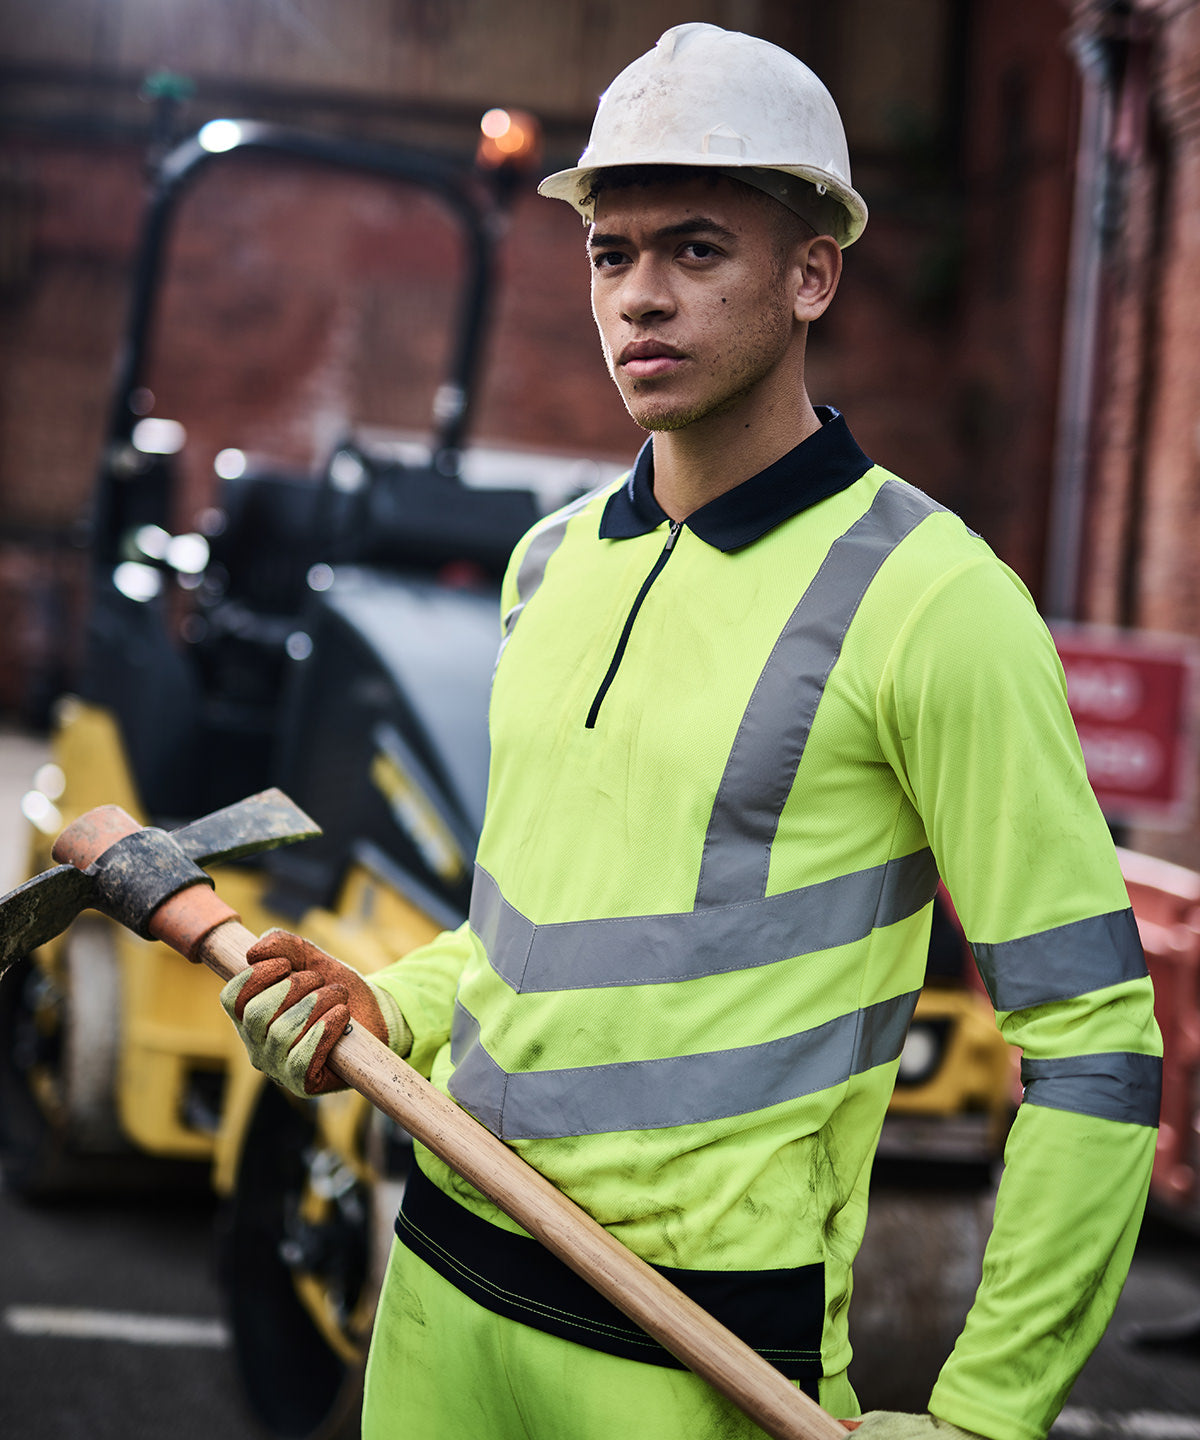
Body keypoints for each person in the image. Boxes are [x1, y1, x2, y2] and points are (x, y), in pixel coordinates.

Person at [221, 22, 1162, 1440]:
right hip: (444, 1292)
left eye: (698, 250)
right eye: (613, 254)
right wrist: (389, 1006)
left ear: (811, 275)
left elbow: (1094, 1040)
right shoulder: (549, 567)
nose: (640, 299)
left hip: (698, 1354)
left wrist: (987, 1414)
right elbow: (527, 935)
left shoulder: (936, 603)